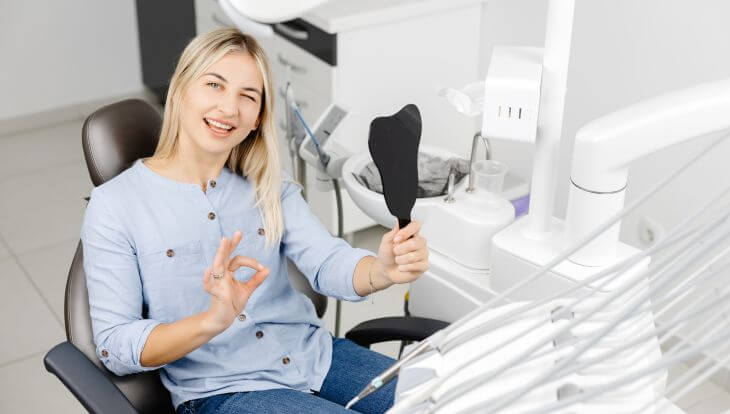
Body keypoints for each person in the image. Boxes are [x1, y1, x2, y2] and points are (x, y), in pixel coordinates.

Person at [81, 28, 429, 414]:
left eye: (248, 96)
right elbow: (115, 344)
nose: (229, 109)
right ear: (180, 89)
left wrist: (380, 269)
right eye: (214, 85)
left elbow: (327, 260)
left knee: (448, 399)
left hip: (316, 355)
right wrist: (211, 321)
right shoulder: (114, 206)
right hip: (223, 390)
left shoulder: (267, 184)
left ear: (257, 118)